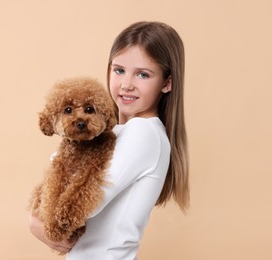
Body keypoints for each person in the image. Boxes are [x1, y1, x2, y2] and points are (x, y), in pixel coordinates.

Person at [29, 21, 189, 259]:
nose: (126, 85)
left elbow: (84, 206)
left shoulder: (144, 133)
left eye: (143, 74)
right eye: (119, 70)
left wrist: (35, 222)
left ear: (166, 83)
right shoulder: (116, 134)